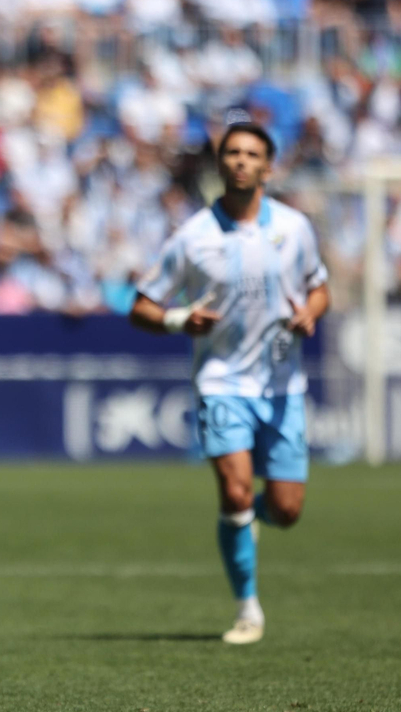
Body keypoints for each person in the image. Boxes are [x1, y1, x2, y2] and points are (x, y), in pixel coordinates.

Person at [129, 122, 329, 645]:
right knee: (236, 490)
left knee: (286, 510)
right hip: (221, 383)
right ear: (220, 165)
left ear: (269, 166)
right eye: (231, 153)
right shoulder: (192, 238)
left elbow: (319, 288)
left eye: (251, 154)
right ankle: (248, 610)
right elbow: (142, 306)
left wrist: (310, 313)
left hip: (283, 386)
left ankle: (247, 523)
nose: (240, 161)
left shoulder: (295, 228)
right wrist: (178, 320)